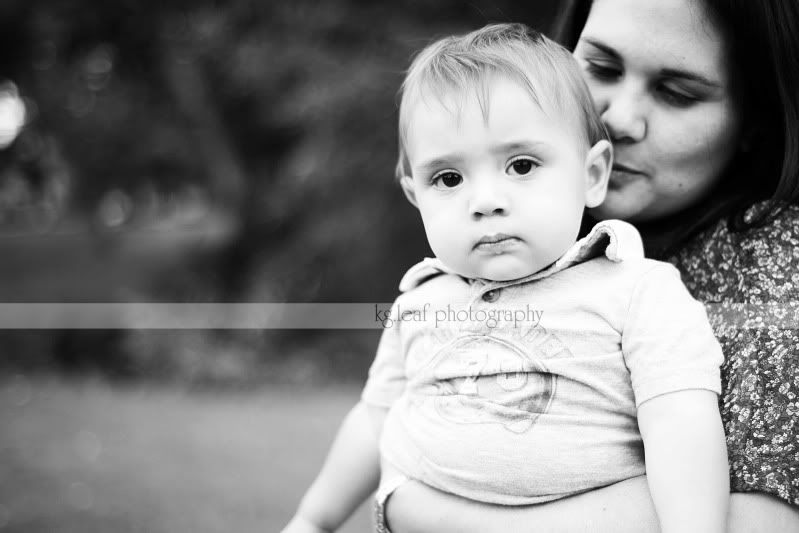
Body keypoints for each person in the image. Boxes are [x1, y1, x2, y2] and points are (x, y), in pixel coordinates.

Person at [282, 23, 729, 533]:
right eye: (448, 179)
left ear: (592, 175)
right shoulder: (419, 302)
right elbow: (374, 417)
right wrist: (312, 520)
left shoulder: (636, 290)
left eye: (521, 165)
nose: (486, 200)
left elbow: (680, 420)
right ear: (415, 195)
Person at [383, 1, 799, 532]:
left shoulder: (773, 261)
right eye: (601, 68)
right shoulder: (523, 247)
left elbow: (758, 523)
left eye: (678, 93)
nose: (617, 119)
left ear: (753, 122)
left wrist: (426, 510)